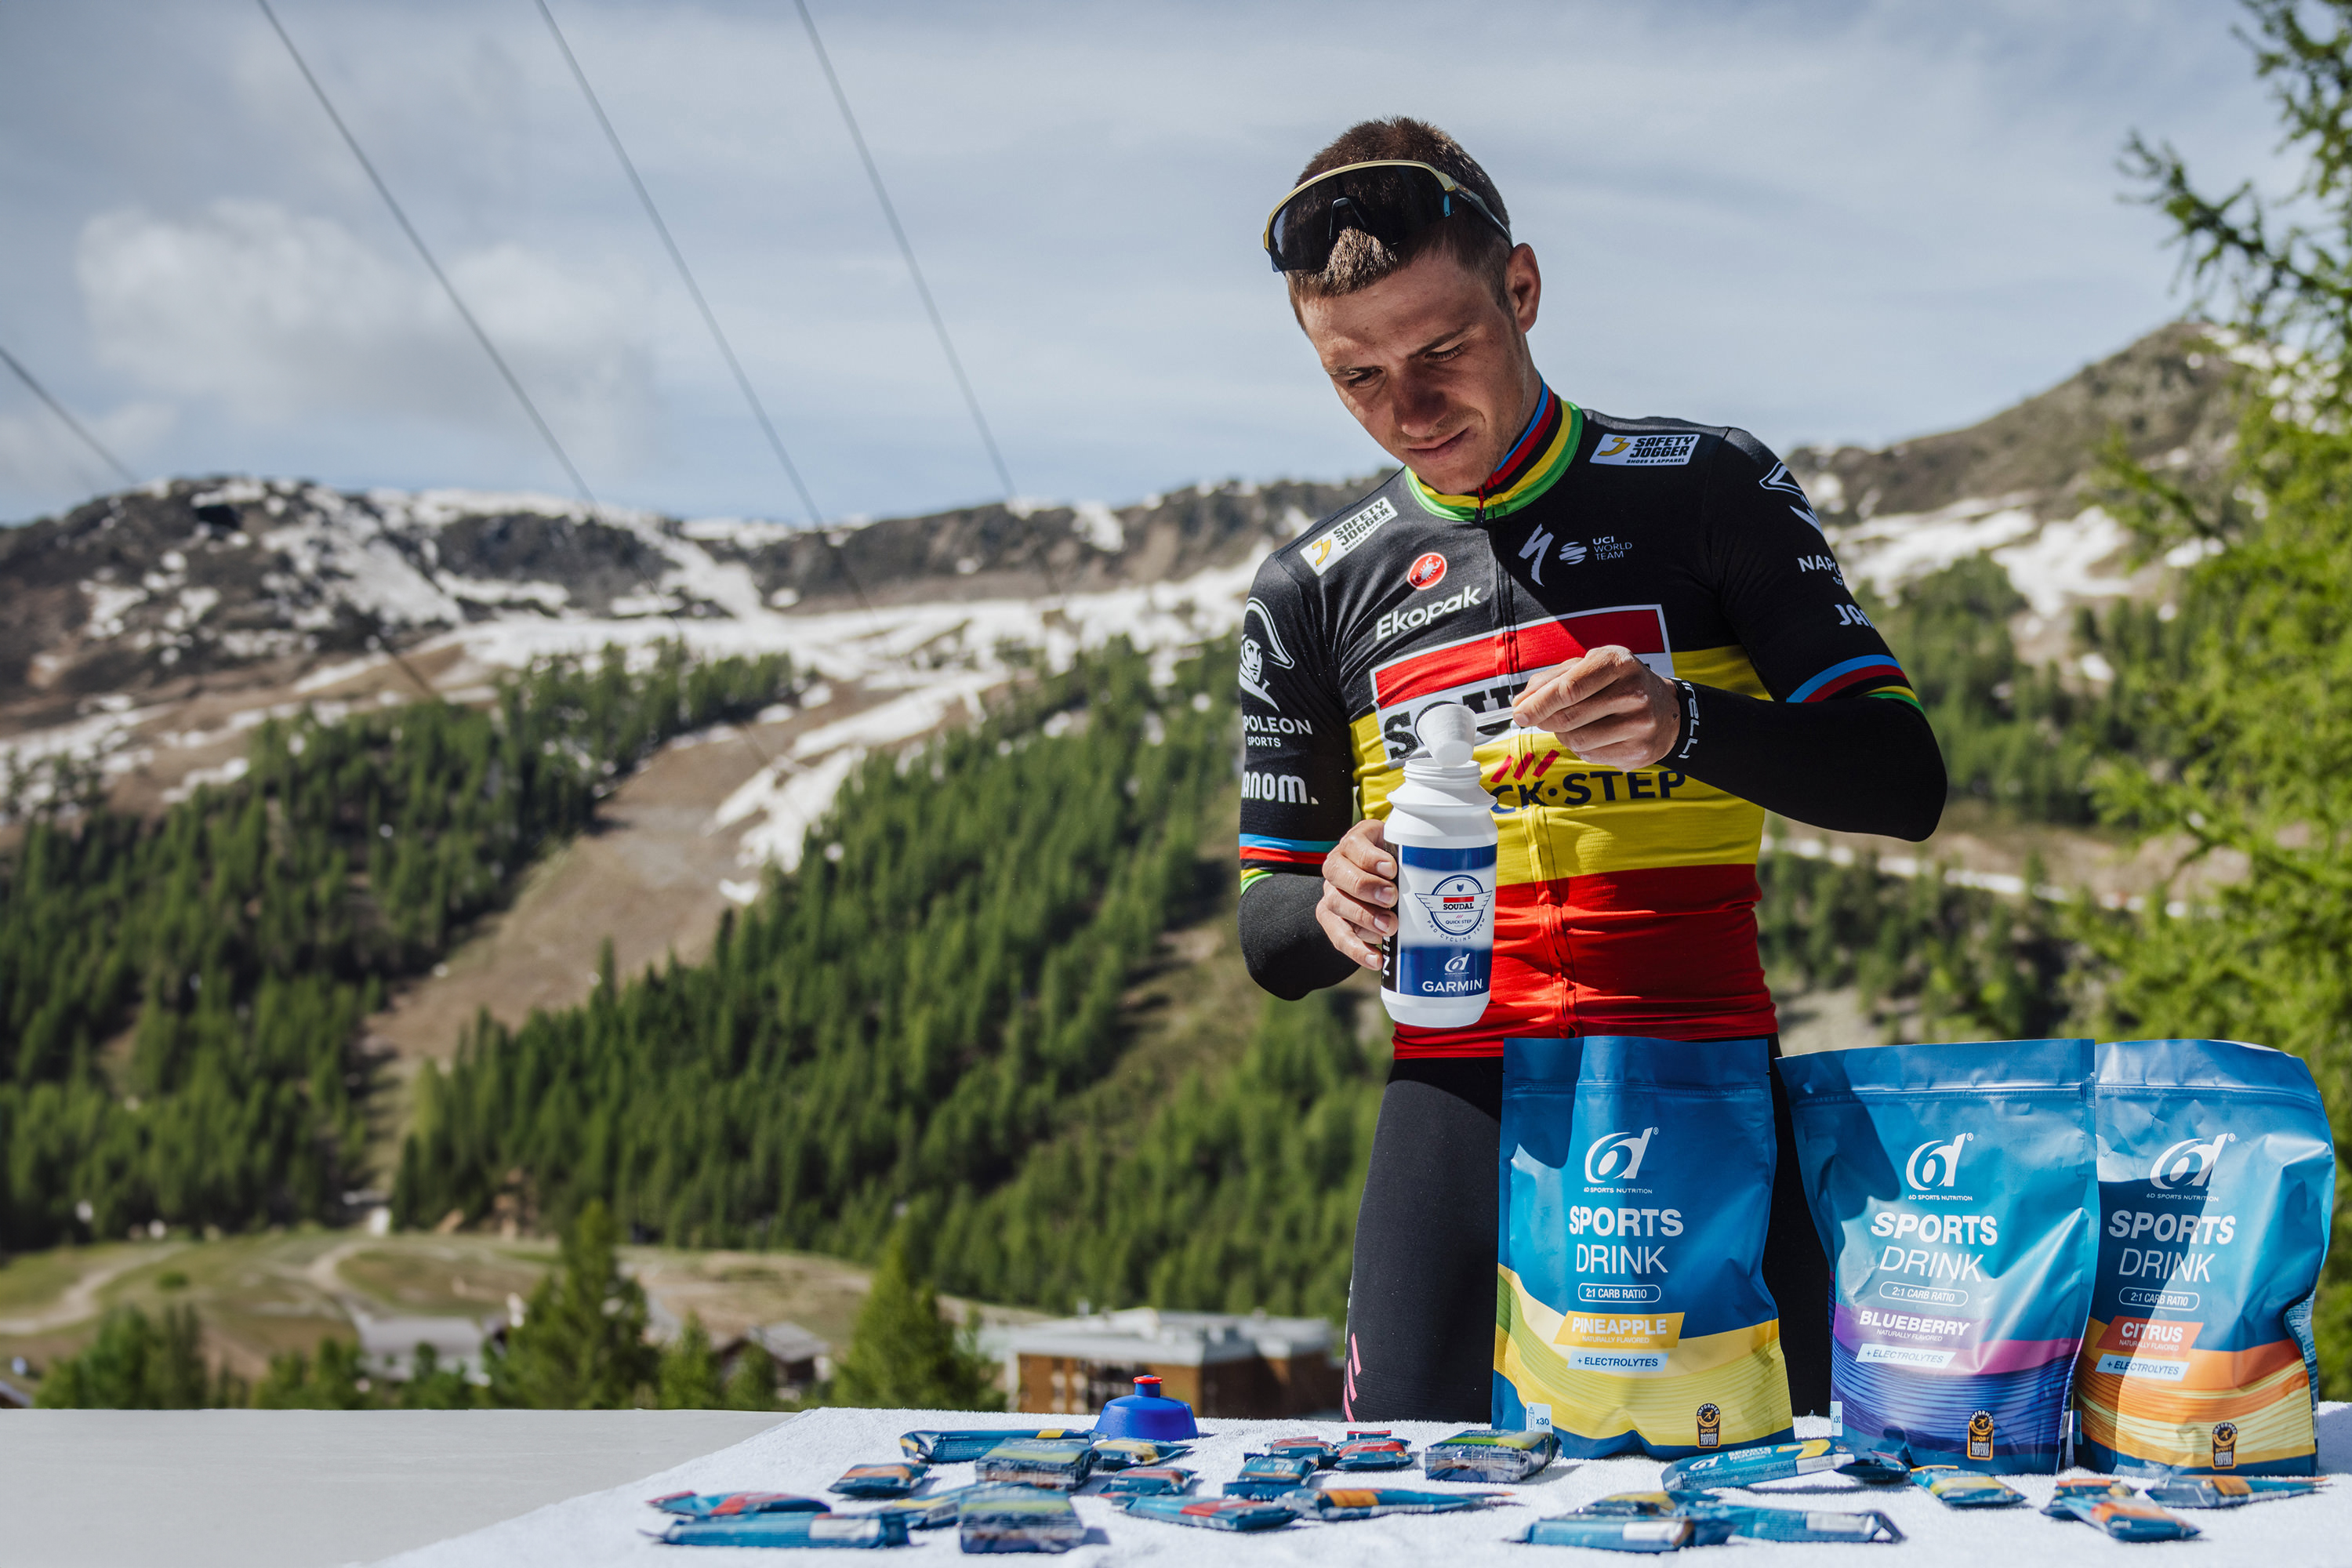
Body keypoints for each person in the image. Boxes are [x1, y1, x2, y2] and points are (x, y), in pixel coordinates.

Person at [1236, 118, 1947, 1422]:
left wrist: (1688, 725)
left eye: (1441, 351)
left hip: (1700, 1061)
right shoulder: (1311, 587)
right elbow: (1268, 935)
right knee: (1405, 1478)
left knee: (1770, 1475)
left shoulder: (1708, 488)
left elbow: (1903, 781)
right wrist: (1330, 900)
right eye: (1357, 376)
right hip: (1451, 1095)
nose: (1409, 411)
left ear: (1521, 290)